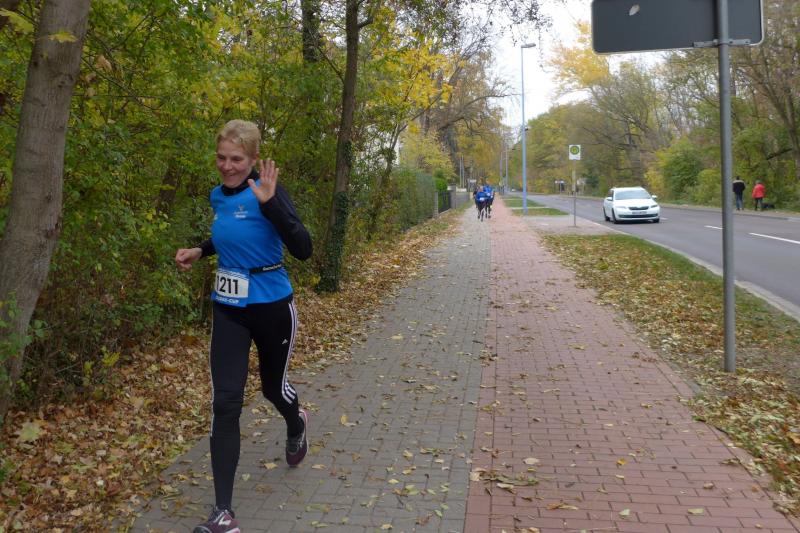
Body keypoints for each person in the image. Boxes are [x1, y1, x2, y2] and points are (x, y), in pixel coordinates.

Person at [175, 120, 313, 533]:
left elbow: (303, 248)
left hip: (272, 307)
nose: (227, 166)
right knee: (225, 403)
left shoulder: (268, 191)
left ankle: (297, 423)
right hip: (229, 309)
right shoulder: (218, 195)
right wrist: (200, 250)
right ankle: (223, 513)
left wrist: (271, 204)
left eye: (236, 159)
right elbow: (230, 234)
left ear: (253, 159)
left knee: (272, 389)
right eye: (221, 158)